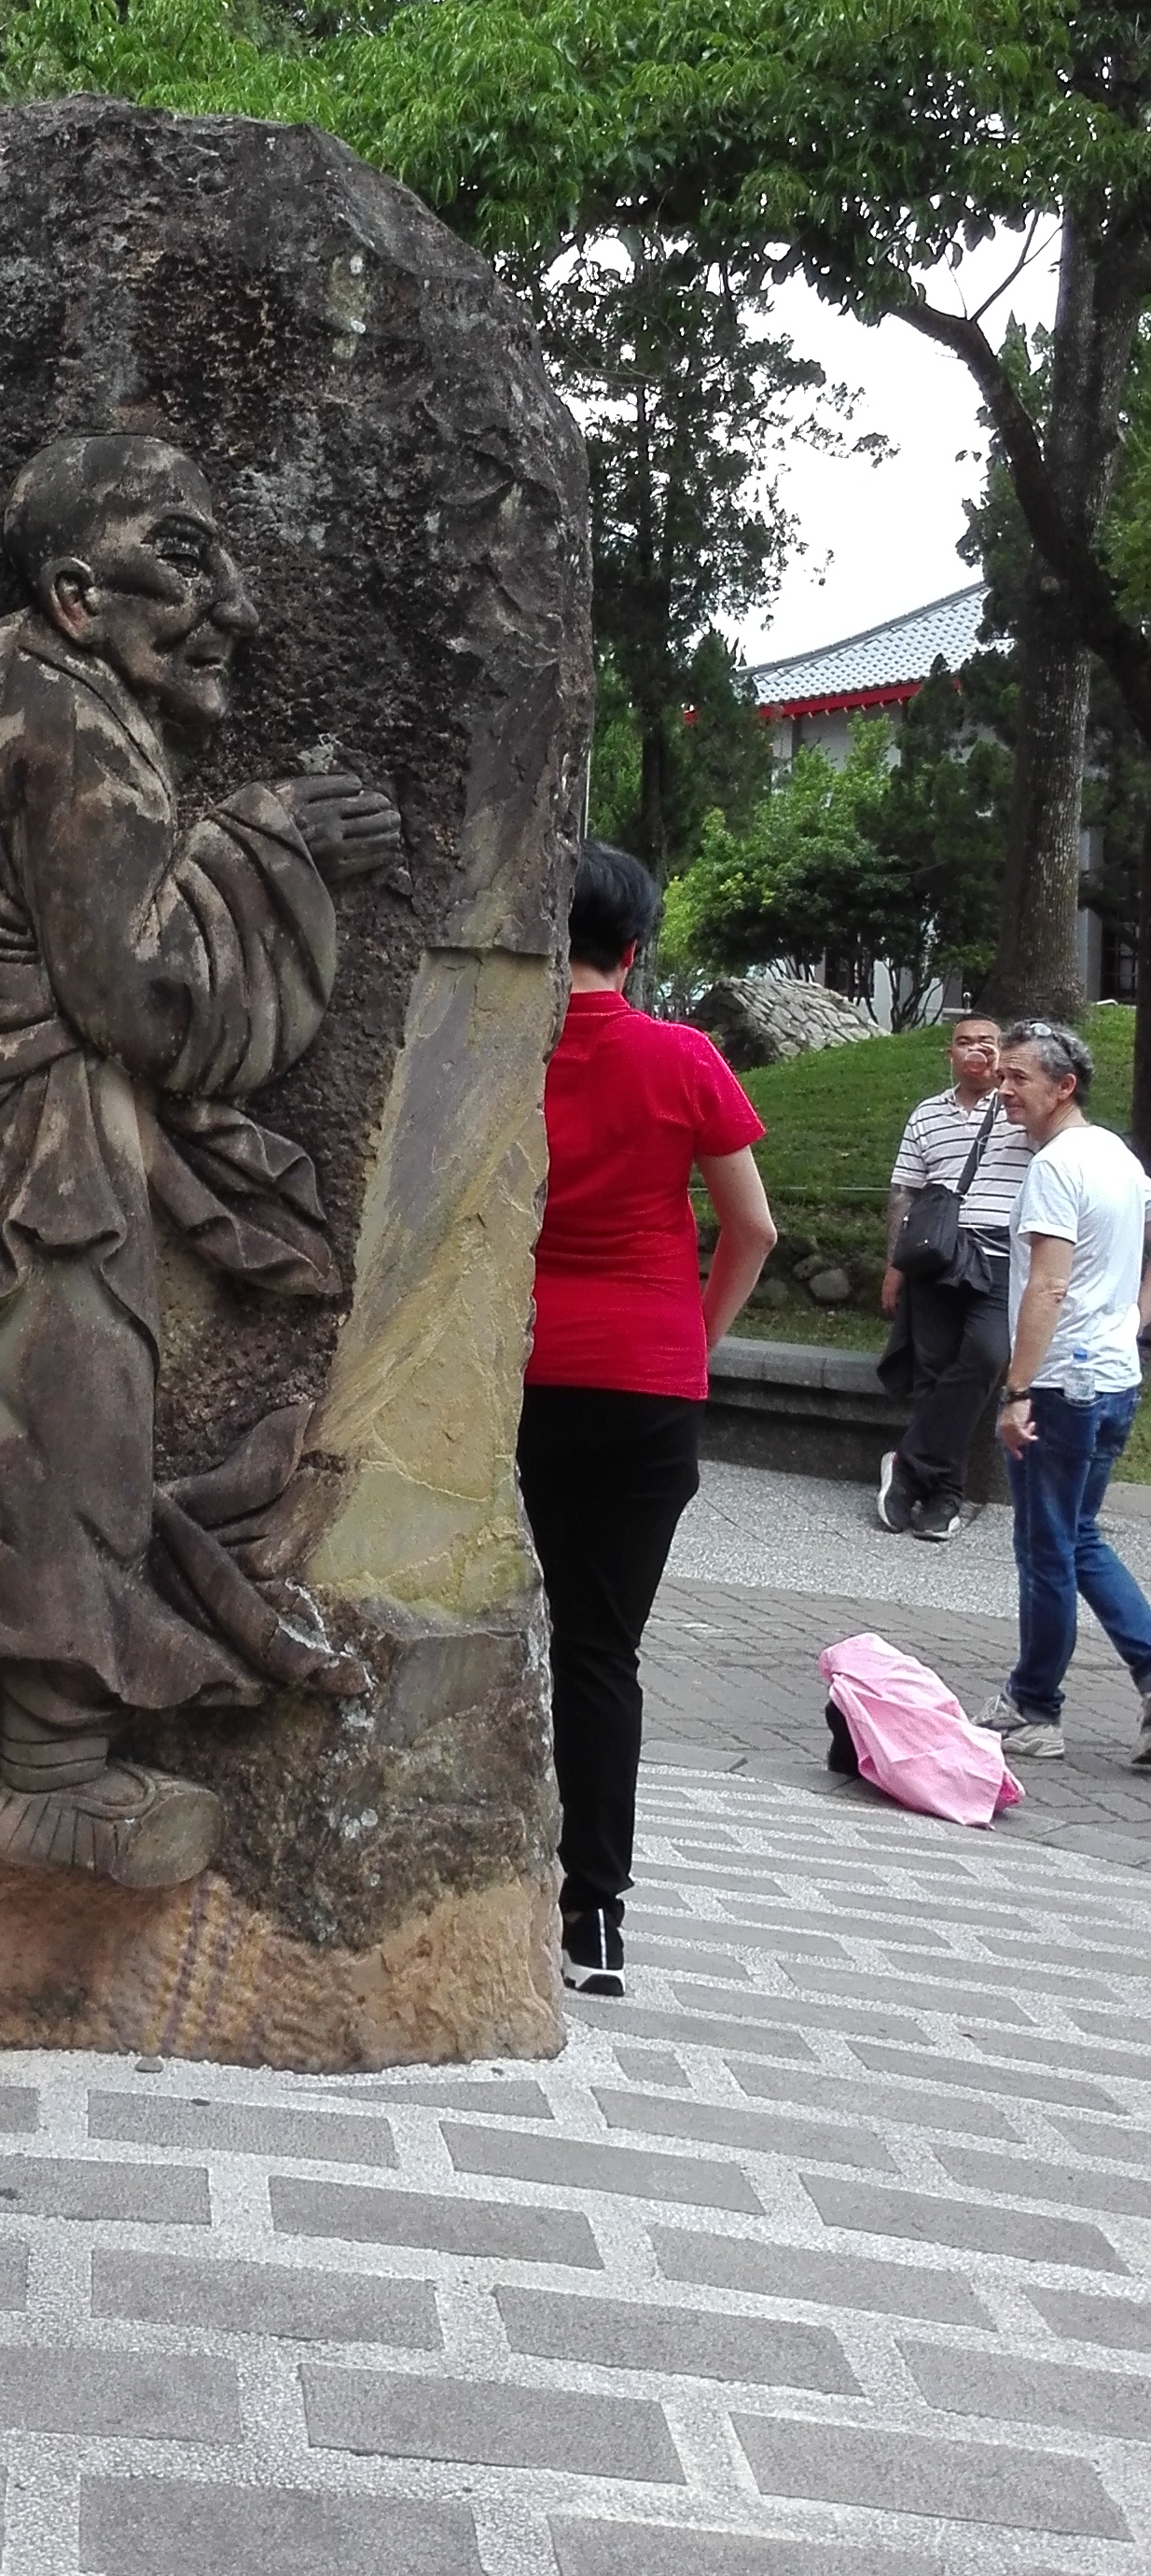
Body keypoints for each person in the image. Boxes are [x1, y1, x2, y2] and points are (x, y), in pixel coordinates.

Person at [0, 429, 400, 1889]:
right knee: (63, 1435)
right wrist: (278, 845)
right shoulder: (65, 719)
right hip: (5, 1168)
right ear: (76, 596)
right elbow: (147, 996)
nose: (236, 605)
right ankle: (31, 1773)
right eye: (187, 555)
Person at [520, 843, 778, 1999]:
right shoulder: (681, 1056)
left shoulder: (501, 1047)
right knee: (597, 1644)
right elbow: (752, 1227)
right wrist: (693, 1333)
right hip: (644, 1384)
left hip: (509, 1372)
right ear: (633, 946)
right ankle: (594, 1916)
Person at [978, 1019, 1151, 1769]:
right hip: (1112, 1377)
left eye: (1018, 1078)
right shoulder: (1118, 1157)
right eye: (1001, 1075)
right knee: (1078, 1539)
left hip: (1061, 1384)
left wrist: (1018, 1392)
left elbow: (1047, 1285)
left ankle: (1035, 1706)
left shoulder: (1055, 1169)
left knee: (1047, 1548)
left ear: (1064, 1085)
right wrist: (1123, 1328)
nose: (1003, 1089)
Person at [877, 1013, 1030, 1542]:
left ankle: (908, 1463)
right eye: (964, 1042)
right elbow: (904, 1194)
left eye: (987, 1042)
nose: (975, 1051)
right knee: (933, 1371)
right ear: (949, 1054)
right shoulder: (926, 1115)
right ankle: (942, 1495)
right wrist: (895, 1266)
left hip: (1002, 1257)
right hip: (939, 1256)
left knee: (987, 1355)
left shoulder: (1019, 1109)